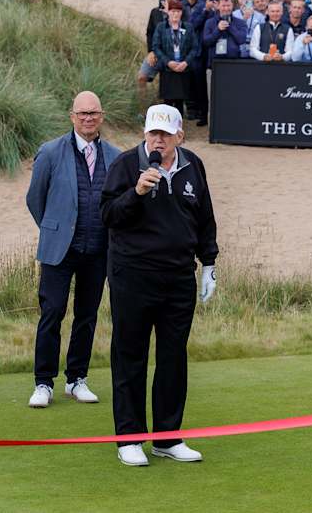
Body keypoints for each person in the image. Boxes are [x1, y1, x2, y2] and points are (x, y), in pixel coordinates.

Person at [101, 104, 218, 467]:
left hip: (179, 277)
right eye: (153, 133)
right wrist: (135, 192)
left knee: (172, 358)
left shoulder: (192, 165)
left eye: (166, 135)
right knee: (130, 355)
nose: (158, 141)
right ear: (145, 134)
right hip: (132, 276)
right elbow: (108, 215)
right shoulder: (126, 165)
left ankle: (167, 437)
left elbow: (204, 218)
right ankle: (130, 438)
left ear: (179, 136)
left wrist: (209, 262)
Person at [25, 92, 121, 409]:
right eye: (82, 113)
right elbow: (35, 199)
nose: (88, 118)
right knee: (52, 312)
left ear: (101, 116)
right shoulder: (51, 152)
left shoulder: (114, 155)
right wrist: (55, 228)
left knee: (87, 315)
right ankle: (43, 382)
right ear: (72, 116)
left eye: (94, 112)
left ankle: (76, 379)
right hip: (59, 250)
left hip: (98, 249)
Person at [153, 0, 200, 119]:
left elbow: (194, 48)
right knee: (167, 100)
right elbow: (156, 47)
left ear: (181, 13)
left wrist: (185, 62)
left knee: (179, 101)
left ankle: (178, 129)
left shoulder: (188, 27)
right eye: (173, 11)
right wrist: (168, 62)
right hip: (168, 69)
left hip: (183, 69)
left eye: (178, 11)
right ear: (168, 12)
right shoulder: (161, 27)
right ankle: (166, 127)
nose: (176, 14)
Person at [203, 0, 247, 110]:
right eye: (223, 5)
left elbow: (241, 39)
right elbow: (206, 42)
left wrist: (230, 26)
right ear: (218, 6)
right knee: (213, 99)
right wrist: (218, 30)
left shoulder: (240, 22)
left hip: (234, 66)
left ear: (232, 6)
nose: (226, 8)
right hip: (214, 67)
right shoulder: (210, 22)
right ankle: (212, 126)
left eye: (228, 5)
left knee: (233, 97)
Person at [138, 0, 169, 94]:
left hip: (171, 54)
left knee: (166, 83)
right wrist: (151, 51)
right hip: (156, 52)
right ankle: (142, 106)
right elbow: (150, 33)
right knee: (142, 77)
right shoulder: (155, 12)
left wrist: (169, 12)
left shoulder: (179, 11)